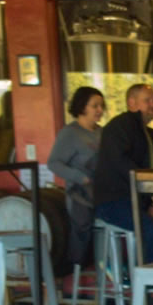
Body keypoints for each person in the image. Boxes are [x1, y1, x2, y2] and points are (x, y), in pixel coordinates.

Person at [94, 83, 153, 263]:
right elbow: (122, 164)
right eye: (147, 101)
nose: (152, 105)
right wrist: (152, 196)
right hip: (114, 201)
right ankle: (150, 284)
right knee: (148, 227)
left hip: (140, 199)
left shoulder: (145, 131)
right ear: (132, 103)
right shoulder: (119, 126)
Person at [47, 86, 105, 266]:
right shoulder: (70, 133)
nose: (99, 110)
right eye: (94, 106)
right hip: (79, 193)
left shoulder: (101, 132)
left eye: (101, 106)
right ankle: (77, 274)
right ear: (82, 107)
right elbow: (54, 163)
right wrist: (81, 178)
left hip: (102, 191)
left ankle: (103, 271)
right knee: (82, 231)